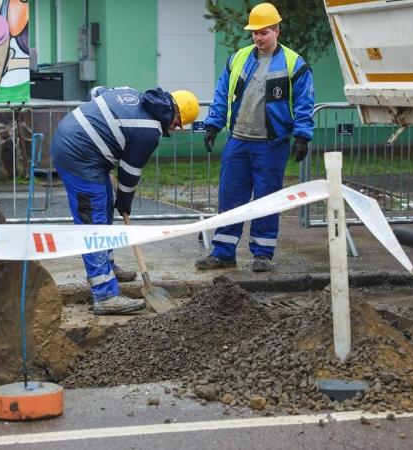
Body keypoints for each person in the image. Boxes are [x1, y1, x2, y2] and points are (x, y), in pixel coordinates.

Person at [50, 86, 199, 315]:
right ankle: (105, 295)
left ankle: (107, 266)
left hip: (80, 143)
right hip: (78, 153)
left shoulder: (133, 93)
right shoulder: (150, 130)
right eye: (178, 126)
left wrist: (101, 140)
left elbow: (95, 92)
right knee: (94, 222)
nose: (175, 129)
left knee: (105, 203)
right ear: (176, 118)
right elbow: (129, 175)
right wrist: (125, 202)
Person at [196, 2, 314, 273]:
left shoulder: (295, 64)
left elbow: (305, 103)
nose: (259, 38)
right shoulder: (238, 58)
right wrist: (212, 125)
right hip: (238, 140)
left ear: (277, 31)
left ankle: (263, 254)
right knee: (230, 197)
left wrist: (302, 136)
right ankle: (223, 252)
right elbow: (221, 94)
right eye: (255, 33)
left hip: (271, 145)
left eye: (264, 32)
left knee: (266, 199)